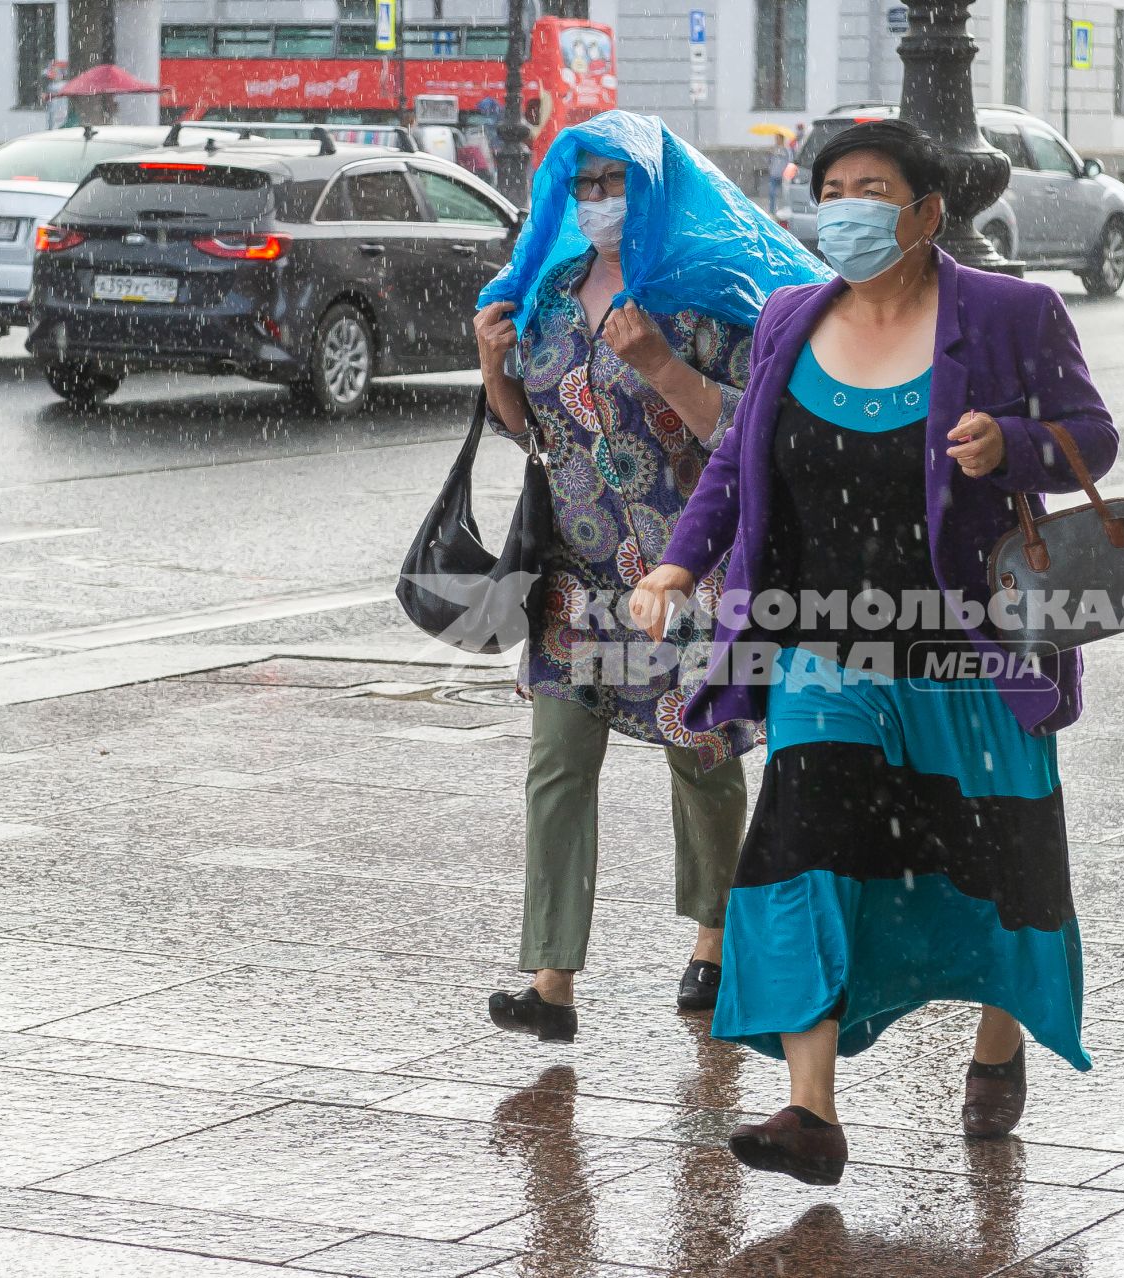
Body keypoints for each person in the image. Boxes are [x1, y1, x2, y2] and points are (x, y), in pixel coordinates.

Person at [630, 119, 1117, 1184]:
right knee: (800, 844)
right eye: (833, 187)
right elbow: (737, 467)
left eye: (872, 188)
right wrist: (678, 563)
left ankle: (997, 1039)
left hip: (972, 652)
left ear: (928, 211)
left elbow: (1094, 435)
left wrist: (1015, 445)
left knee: (999, 861)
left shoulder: (1009, 315)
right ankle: (810, 1110)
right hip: (825, 653)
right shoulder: (790, 319)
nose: (847, 206)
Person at [471, 112, 829, 1043]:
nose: (595, 202)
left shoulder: (703, 292)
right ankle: (551, 981)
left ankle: (714, 940)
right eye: (581, 185)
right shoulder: (549, 294)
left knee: (699, 753)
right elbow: (533, 434)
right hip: (576, 573)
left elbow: (756, 431)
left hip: (685, 568)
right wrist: (492, 369)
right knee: (557, 760)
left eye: (614, 183)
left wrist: (664, 367)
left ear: (655, 187)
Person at [767, 135, 792, 214]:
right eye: (776, 138)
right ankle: (772, 211)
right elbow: (769, 161)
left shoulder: (786, 149)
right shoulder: (774, 149)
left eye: (778, 138)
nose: (777, 140)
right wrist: (770, 153)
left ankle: (783, 210)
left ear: (782, 139)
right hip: (774, 174)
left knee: (785, 194)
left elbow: (790, 160)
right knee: (771, 193)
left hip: (783, 175)